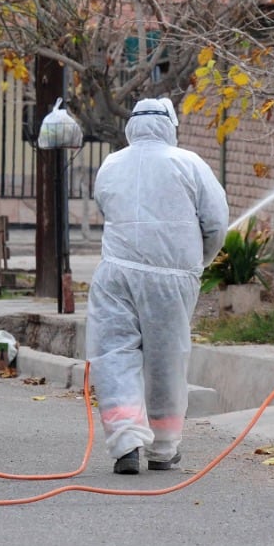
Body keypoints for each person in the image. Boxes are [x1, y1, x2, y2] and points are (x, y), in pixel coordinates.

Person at [86, 97, 229, 474]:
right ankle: (164, 449)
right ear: (170, 125)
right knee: (167, 361)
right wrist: (198, 261)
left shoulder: (111, 164)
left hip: (116, 274)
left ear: (131, 126)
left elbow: (106, 206)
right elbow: (216, 222)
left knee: (115, 356)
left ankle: (126, 442)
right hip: (171, 280)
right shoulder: (189, 163)